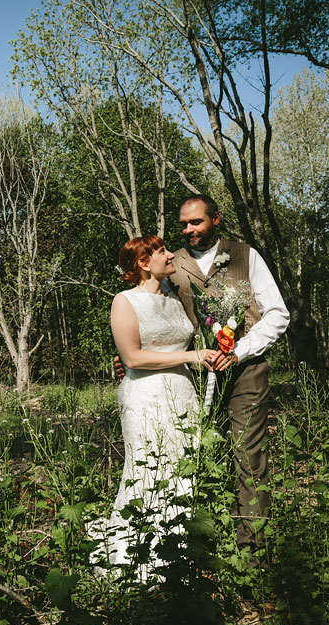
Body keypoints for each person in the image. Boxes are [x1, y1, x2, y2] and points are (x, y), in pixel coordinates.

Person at [116, 195, 290, 568]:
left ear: (216, 220)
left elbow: (277, 314)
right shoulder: (169, 263)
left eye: (196, 222)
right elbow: (149, 316)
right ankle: (206, 543)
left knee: (248, 455)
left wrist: (239, 351)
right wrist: (127, 359)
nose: (189, 230)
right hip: (191, 379)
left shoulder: (246, 256)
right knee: (201, 457)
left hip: (245, 370)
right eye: (183, 224)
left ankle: (253, 553)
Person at [89, 234, 218, 580]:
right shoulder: (124, 301)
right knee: (148, 470)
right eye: (161, 251)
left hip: (182, 393)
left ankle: (178, 556)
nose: (170, 254)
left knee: (181, 473)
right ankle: (136, 561)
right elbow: (131, 356)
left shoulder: (175, 298)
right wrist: (192, 356)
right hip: (145, 396)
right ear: (143, 263)